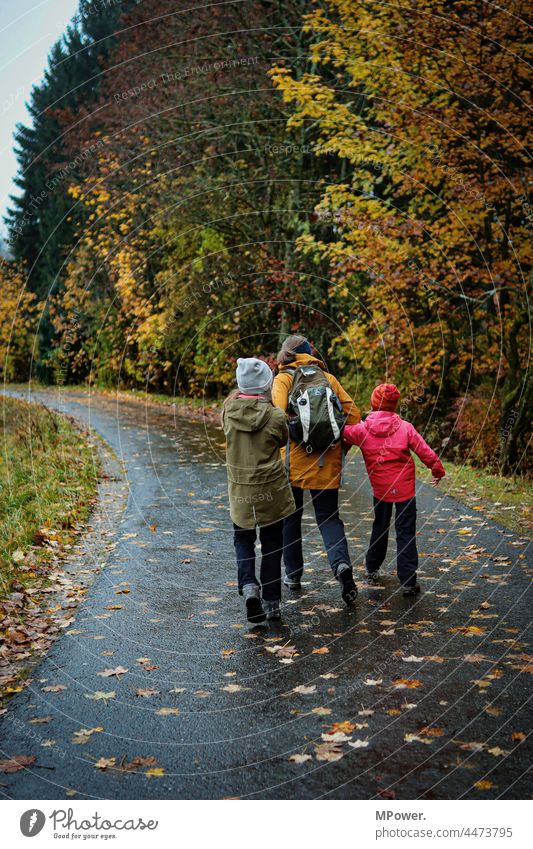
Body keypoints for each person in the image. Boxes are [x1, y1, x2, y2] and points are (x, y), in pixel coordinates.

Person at [272, 335, 361, 605]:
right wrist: (339, 447)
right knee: (329, 518)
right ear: (309, 353)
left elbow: (276, 418)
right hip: (327, 459)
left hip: (293, 462)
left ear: (287, 354)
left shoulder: (283, 379)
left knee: (291, 518)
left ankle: (294, 575)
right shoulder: (328, 378)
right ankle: (342, 566)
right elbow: (354, 416)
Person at [342, 383, 445, 596]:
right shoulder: (405, 427)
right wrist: (437, 470)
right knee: (406, 532)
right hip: (405, 490)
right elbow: (424, 450)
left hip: (381, 491)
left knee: (380, 527)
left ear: (373, 402)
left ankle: (372, 568)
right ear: (394, 404)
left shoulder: (362, 430)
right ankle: (408, 580)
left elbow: (343, 433)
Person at [222, 357, 295, 623]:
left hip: (241, 492)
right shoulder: (276, 416)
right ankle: (272, 601)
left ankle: (250, 585)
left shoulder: (227, 412)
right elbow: (284, 439)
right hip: (272, 491)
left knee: (243, 540)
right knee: (273, 544)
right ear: (266, 384)